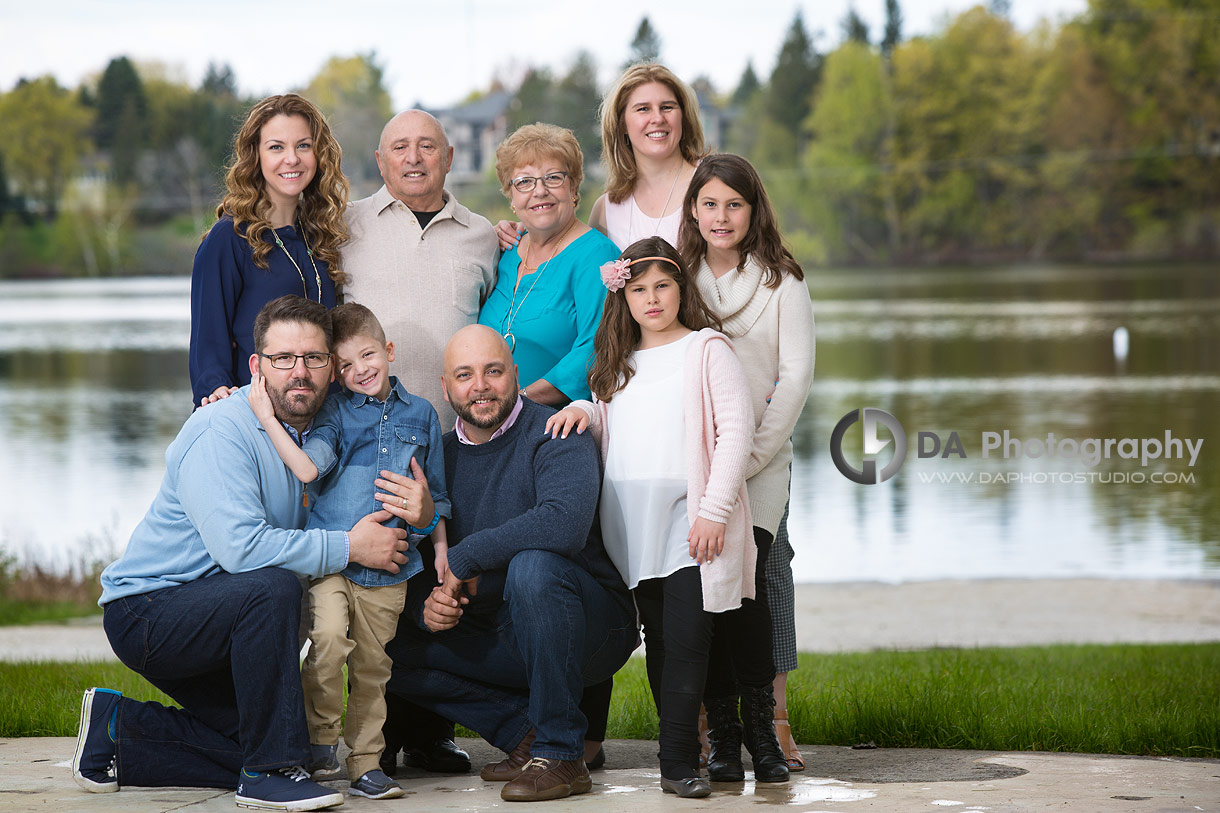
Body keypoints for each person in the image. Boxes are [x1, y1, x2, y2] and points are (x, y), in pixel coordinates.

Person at [74, 296, 423, 812]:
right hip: (152, 612)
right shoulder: (222, 431)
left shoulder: (320, 432)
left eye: (314, 358)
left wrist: (423, 509)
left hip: (224, 611)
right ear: (258, 367)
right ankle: (268, 774)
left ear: (332, 366)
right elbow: (243, 551)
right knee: (272, 585)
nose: (299, 372)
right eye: (284, 359)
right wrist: (352, 545)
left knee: (285, 735)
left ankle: (116, 730)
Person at [384, 324, 638, 802]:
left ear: (515, 375)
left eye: (493, 371)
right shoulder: (435, 456)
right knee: (379, 636)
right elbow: (417, 562)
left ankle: (562, 753)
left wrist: (465, 557)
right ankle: (521, 729)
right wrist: (427, 606)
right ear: (446, 387)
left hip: (591, 629)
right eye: (465, 375)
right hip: (499, 634)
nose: (480, 386)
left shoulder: (557, 430)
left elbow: (562, 525)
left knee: (534, 566)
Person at [545, 237, 755, 798]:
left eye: (663, 285)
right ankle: (685, 751)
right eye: (638, 289)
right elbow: (617, 420)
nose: (652, 299)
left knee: (688, 640)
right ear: (624, 297)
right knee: (662, 642)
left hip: (690, 524)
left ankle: (679, 761)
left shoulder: (707, 350)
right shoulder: (615, 362)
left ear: (681, 289)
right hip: (630, 528)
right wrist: (582, 410)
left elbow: (735, 433)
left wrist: (713, 511)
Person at [248, 302, 451, 800]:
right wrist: (266, 418)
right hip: (335, 561)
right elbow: (309, 470)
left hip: (392, 567)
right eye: (343, 365)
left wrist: (443, 551)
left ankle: (365, 763)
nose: (358, 370)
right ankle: (320, 745)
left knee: (374, 667)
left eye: (368, 356)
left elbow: (437, 495)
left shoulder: (422, 414)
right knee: (329, 642)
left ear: (389, 351)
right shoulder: (334, 412)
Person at [680, 154, 815, 778]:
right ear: (694, 211)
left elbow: (795, 379)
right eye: (710, 204)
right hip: (693, 463)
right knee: (703, 591)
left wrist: (750, 458)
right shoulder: (677, 279)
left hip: (759, 462)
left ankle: (763, 728)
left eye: (734, 204)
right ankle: (722, 735)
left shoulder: (782, 281)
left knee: (751, 587)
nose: (722, 216)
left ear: (753, 210)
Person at [190, 93, 349, 408]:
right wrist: (216, 390)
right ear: (256, 156)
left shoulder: (320, 234)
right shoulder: (230, 237)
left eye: (303, 145)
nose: (291, 158)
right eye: (276, 147)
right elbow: (208, 340)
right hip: (257, 418)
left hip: (325, 421)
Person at [341, 109, 499, 426]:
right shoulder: (343, 226)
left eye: (427, 146)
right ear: (380, 161)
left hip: (458, 435)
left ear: (449, 157)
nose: (414, 157)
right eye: (400, 147)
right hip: (364, 436)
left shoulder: (483, 235)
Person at [478, 123, 619, 405]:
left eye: (553, 178)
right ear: (512, 197)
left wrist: (517, 402)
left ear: (574, 187)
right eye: (525, 182)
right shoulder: (506, 249)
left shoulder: (597, 256)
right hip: (492, 422)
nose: (539, 191)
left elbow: (595, 351)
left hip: (557, 426)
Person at [495, 63, 706, 252]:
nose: (658, 118)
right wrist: (520, 231)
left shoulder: (714, 182)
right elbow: (564, 249)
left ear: (683, 116)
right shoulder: (607, 209)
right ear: (621, 123)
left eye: (667, 107)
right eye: (643, 109)